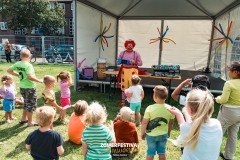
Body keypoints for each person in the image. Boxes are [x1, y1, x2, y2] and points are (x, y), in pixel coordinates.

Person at [167, 89, 223, 160]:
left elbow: (180, 143)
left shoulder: (187, 128)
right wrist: (186, 113)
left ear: (190, 110)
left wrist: (179, 114)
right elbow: (193, 126)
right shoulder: (217, 124)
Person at [7, 49, 42, 127]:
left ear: (20, 56)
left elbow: (9, 70)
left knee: (26, 102)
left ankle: (23, 119)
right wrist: (39, 80)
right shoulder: (28, 65)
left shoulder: (18, 63)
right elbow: (30, 76)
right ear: (30, 56)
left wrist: (18, 75)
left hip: (22, 87)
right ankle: (30, 122)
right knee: (30, 105)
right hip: (30, 87)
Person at [141, 85, 175, 160]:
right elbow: (171, 123)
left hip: (151, 136)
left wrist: (142, 133)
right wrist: (168, 132)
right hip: (163, 134)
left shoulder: (150, 108)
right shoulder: (170, 109)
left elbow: (144, 123)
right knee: (162, 152)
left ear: (155, 96)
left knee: (150, 153)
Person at [215, 61, 240, 160]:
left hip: (228, 112)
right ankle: (229, 156)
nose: (228, 72)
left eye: (229, 70)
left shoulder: (229, 83)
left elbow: (224, 99)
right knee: (233, 135)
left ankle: (214, 155)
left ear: (235, 72)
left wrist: (217, 98)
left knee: (218, 133)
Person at [116, 39, 143, 107]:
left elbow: (140, 63)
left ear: (133, 46)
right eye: (128, 45)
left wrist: (135, 62)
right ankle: (123, 101)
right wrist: (118, 61)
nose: (129, 47)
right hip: (124, 71)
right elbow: (118, 61)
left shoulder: (136, 53)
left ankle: (134, 100)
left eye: (131, 45)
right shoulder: (122, 53)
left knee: (133, 86)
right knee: (124, 86)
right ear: (125, 46)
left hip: (133, 71)